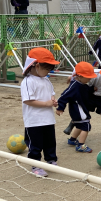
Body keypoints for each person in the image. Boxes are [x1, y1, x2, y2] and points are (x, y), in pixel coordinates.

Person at [20, 48, 59, 177]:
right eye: (47, 68)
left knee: (50, 142)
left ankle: (51, 160)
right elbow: (28, 101)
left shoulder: (46, 80)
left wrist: (53, 101)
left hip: (48, 119)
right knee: (35, 144)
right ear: (36, 66)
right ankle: (36, 165)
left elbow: (51, 95)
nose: (49, 71)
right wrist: (46, 104)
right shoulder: (27, 81)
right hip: (34, 121)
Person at [56, 62, 97, 153]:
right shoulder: (74, 86)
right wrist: (60, 108)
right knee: (86, 125)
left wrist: (91, 89)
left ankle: (72, 140)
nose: (90, 79)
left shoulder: (81, 84)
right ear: (79, 76)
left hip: (80, 109)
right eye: (88, 77)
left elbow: (85, 90)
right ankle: (81, 145)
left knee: (79, 125)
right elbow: (64, 96)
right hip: (78, 110)